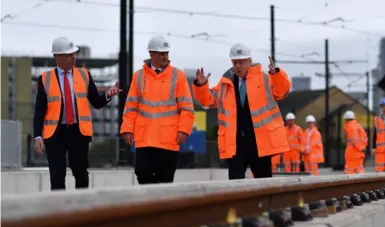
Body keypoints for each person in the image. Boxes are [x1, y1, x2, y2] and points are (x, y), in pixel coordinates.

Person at [33, 37, 121, 190]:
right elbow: (40, 111)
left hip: (78, 133)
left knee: (80, 174)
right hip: (55, 134)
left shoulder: (84, 75)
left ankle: (82, 208)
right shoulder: (45, 79)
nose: (74, 57)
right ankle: (61, 211)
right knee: (57, 175)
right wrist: (38, 137)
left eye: (74, 54)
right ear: (58, 56)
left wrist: (108, 95)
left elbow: (96, 102)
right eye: (69, 55)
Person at [192, 43, 291, 180]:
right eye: (235, 62)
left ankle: (262, 202)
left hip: (260, 141)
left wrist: (277, 75)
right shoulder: (226, 83)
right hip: (236, 142)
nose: (238, 66)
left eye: (241, 62)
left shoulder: (264, 79)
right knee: (235, 182)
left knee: (264, 181)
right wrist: (201, 86)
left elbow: (282, 91)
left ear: (249, 61)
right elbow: (208, 100)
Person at [120, 36, 195, 184]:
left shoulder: (177, 75)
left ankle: (161, 207)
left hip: (168, 139)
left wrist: (184, 130)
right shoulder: (139, 76)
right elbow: (131, 107)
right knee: (142, 174)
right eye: (161, 53)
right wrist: (127, 130)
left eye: (166, 52)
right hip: (145, 139)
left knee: (165, 181)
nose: (165, 56)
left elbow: (186, 107)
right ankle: (149, 206)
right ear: (151, 54)